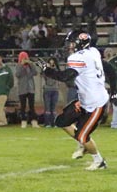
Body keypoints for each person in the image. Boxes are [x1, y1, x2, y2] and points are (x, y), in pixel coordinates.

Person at [37, 30, 109, 170]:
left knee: (82, 135)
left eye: (71, 43)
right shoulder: (93, 51)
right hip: (84, 100)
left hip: (96, 103)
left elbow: (66, 77)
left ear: (80, 44)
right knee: (61, 121)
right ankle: (84, 145)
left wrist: (47, 70)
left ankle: (99, 161)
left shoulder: (79, 58)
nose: (69, 46)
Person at [15, 51, 38, 128]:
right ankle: (23, 121)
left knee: (32, 106)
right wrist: (21, 65)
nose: (24, 59)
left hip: (30, 88)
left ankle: (34, 121)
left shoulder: (30, 66)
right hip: (22, 89)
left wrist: (31, 64)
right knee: (23, 106)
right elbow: (17, 74)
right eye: (23, 58)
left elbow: (35, 72)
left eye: (25, 58)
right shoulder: (18, 66)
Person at [42, 57, 60, 127]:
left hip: (55, 90)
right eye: (50, 62)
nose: (52, 64)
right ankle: (47, 123)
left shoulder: (57, 70)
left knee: (54, 108)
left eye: (53, 62)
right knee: (47, 107)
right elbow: (44, 76)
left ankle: (54, 123)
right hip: (47, 90)